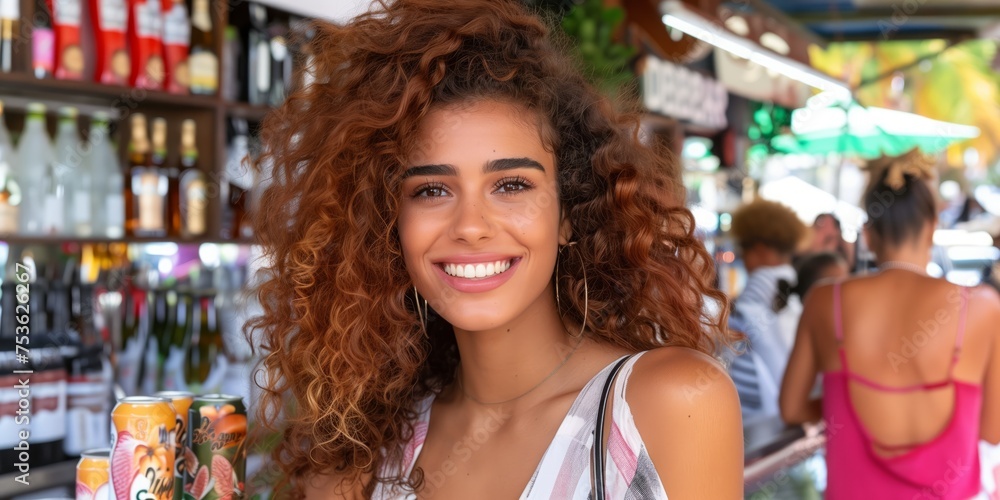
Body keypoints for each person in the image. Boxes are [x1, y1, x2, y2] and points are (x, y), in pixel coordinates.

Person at [247, 1, 743, 498]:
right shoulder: (362, 450)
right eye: (431, 190)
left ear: (569, 213)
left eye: (511, 185)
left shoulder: (665, 405)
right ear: (388, 227)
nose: (470, 227)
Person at [780, 150, 1000, 499]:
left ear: (868, 234)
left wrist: (847, 405)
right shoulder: (982, 307)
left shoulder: (826, 301)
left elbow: (792, 407)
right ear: (932, 227)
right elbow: (992, 431)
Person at [724, 199, 807, 420]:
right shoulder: (793, 282)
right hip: (785, 406)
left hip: (756, 413)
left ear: (760, 250)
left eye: (743, 250)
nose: (742, 258)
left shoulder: (761, 284)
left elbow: (730, 332)